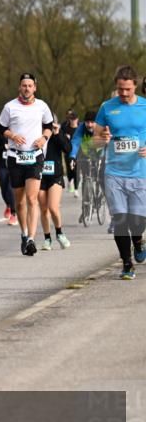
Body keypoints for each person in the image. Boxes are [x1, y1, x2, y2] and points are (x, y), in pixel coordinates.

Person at [92, 65, 146, 279]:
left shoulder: (144, 106)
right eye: (120, 89)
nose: (123, 94)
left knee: (138, 221)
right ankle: (126, 264)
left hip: (140, 173)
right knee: (120, 219)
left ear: (136, 87)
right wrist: (101, 140)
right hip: (114, 172)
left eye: (128, 90)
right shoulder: (107, 107)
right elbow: (94, 140)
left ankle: (138, 240)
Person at [0, 73, 54, 257]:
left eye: (30, 85)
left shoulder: (42, 106)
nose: (27, 88)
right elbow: (1, 130)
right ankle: (23, 233)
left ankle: (31, 238)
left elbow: (49, 126)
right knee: (19, 200)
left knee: (32, 199)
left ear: (35, 88)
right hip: (15, 157)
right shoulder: (9, 107)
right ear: (19, 87)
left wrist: (44, 138)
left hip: (35, 157)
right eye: (24, 85)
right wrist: (13, 136)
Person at [38, 116, 72, 250]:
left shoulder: (58, 134)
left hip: (55, 176)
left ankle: (59, 233)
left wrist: (58, 134)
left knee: (53, 207)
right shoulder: (35, 135)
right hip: (39, 176)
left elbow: (68, 149)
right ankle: (47, 239)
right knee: (43, 209)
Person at [63, 110, 79, 195]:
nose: (73, 121)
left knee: (76, 170)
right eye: (71, 119)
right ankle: (70, 181)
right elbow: (60, 138)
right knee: (70, 169)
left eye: (74, 119)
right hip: (68, 152)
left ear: (77, 119)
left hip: (78, 152)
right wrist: (65, 138)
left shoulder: (80, 128)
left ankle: (76, 189)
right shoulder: (65, 127)